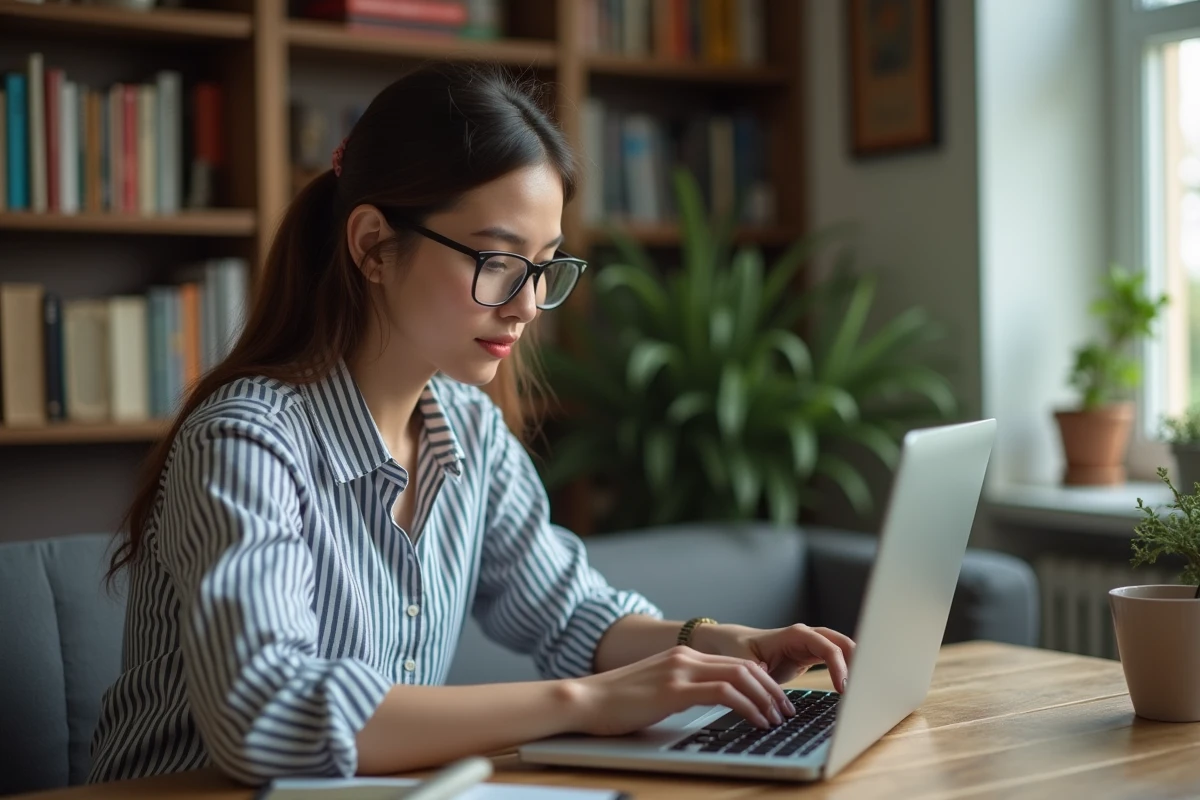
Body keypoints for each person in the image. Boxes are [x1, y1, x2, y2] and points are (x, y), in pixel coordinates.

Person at [87, 63, 855, 787]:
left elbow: (571, 611)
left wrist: (717, 643)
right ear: (372, 246)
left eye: (545, 266)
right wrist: (586, 703)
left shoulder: (468, 431)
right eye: (498, 261)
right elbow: (268, 713)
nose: (525, 304)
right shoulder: (248, 442)